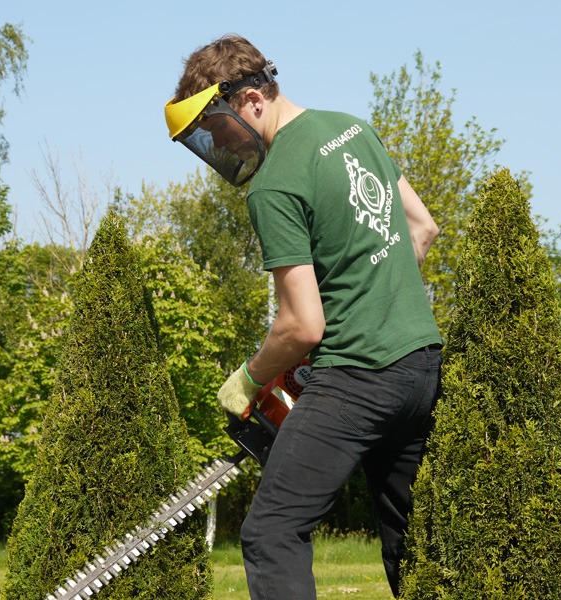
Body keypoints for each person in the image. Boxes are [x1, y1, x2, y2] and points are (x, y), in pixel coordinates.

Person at [164, 34, 443, 599]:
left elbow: (302, 326)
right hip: (420, 366)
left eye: (217, 130)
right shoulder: (353, 128)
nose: (221, 145)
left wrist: (248, 378)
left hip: (357, 378)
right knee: (407, 538)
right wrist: (371, 292)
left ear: (247, 100)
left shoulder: (273, 184)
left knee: (271, 534)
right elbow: (422, 229)